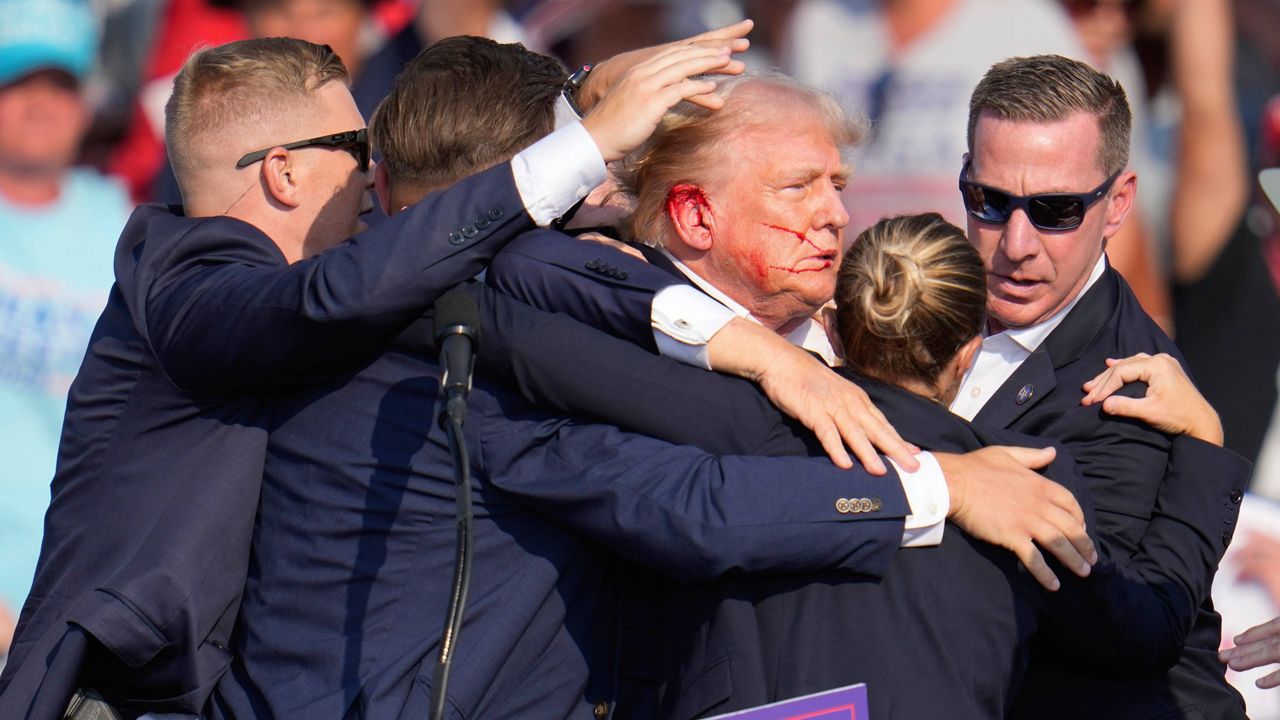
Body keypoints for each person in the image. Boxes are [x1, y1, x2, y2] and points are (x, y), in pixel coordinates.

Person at [0, 32, 740, 719]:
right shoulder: (185, 279)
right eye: (355, 143)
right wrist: (583, 144)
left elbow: (406, 255)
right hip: (117, 701)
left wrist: (571, 100)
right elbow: (341, 294)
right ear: (283, 171)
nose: (372, 165)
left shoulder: (305, 284)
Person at [953, 54, 1246, 719]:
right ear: (963, 181)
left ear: (1118, 205)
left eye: (1055, 211)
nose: (1017, 243)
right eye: (991, 202)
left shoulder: (1131, 392)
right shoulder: (916, 304)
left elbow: (1122, 631)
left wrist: (936, 482)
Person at [0, 0, 133, 662]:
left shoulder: (128, 228)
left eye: (60, 85)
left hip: (77, 613)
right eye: (16, 83)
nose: (39, 105)